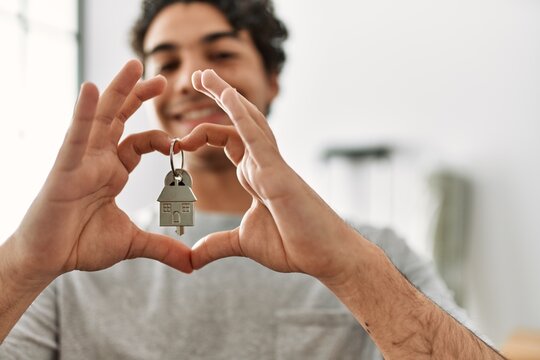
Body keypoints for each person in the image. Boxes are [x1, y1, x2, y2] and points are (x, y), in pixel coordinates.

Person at [0, 0, 505, 359]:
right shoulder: (70, 266)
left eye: (220, 55)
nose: (188, 79)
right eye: (167, 61)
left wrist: (352, 270)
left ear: (272, 78)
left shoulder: (375, 253)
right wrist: (22, 262)